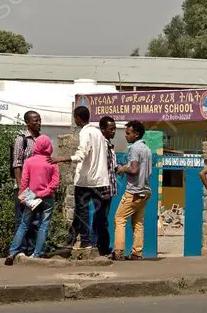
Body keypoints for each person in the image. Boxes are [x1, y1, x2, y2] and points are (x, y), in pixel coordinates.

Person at [51, 108, 114, 256]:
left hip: (86, 180)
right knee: (99, 216)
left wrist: (63, 158)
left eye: (75, 118)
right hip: (101, 180)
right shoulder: (99, 133)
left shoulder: (85, 132)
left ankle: (86, 243)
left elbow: (82, 153)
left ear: (78, 118)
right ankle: (95, 246)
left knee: (82, 213)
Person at [5, 135, 59, 265]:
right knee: (43, 226)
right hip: (47, 198)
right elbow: (55, 183)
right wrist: (44, 192)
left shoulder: (29, 161)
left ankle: (13, 252)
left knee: (24, 224)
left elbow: (24, 181)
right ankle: (37, 253)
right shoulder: (52, 162)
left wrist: (24, 195)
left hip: (31, 196)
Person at [111, 120, 152, 261]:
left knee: (119, 218)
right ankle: (137, 253)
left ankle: (119, 252)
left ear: (136, 134)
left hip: (134, 191)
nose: (125, 136)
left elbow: (134, 169)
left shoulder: (134, 148)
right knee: (138, 223)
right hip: (145, 191)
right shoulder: (147, 149)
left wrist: (122, 168)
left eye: (128, 133)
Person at [11, 110, 42, 256]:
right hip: (24, 188)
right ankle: (20, 251)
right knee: (22, 219)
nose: (38, 123)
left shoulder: (41, 140)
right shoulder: (21, 140)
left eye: (39, 120)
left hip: (36, 188)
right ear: (27, 123)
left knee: (35, 220)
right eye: (35, 120)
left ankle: (32, 250)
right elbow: (17, 164)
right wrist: (20, 187)